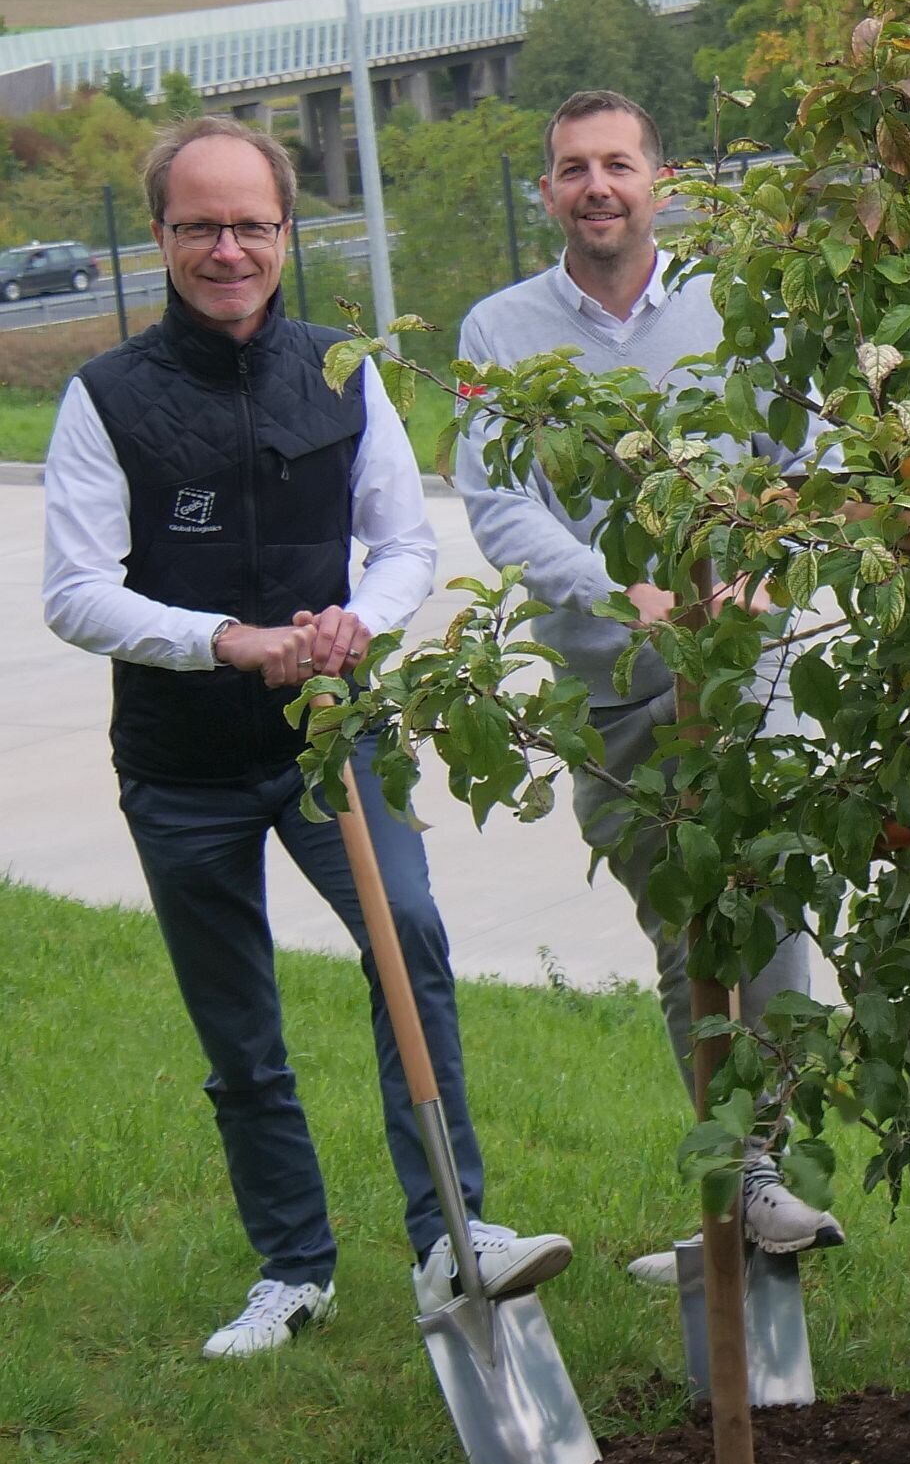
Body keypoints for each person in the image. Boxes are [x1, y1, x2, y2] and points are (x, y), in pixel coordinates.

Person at [42, 115, 571, 1357]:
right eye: (200, 226)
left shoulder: (340, 366)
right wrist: (229, 638)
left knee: (414, 948)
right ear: (164, 233)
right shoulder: (106, 397)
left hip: (333, 738)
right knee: (240, 1023)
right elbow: (76, 592)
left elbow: (403, 544)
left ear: (287, 232)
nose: (229, 249)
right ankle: (292, 1267)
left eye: (253, 225)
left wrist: (355, 623)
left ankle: (452, 1230)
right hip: (180, 767)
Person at [457, 89, 844, 1272]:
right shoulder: (497, 334)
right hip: (613, 689)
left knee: (770, 909)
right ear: (548, 193)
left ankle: (754, 1176)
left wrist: (762, 575)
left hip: (749, 670)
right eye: (573, 167)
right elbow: (497, 502)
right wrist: (628, 595)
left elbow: (813, 453)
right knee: (687, 928)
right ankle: (744, 1189)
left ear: (658, 182)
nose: (597, 186)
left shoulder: (742, 309)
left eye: (617, 163)